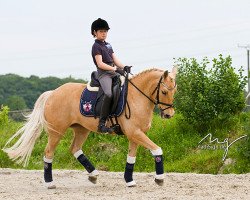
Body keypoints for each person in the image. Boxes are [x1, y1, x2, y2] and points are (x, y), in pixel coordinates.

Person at [91, 18, 126, 133]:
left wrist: (124, 67)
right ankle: (102, 123)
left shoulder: (109, 45)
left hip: (113, 72)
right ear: (95, 32)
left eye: (105, 31)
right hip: (104, 74)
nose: (104, 33)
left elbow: (115, 59)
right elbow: (100, 64)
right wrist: (114, 69)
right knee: (108, 93)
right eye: (101, 31)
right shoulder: (96, 46)